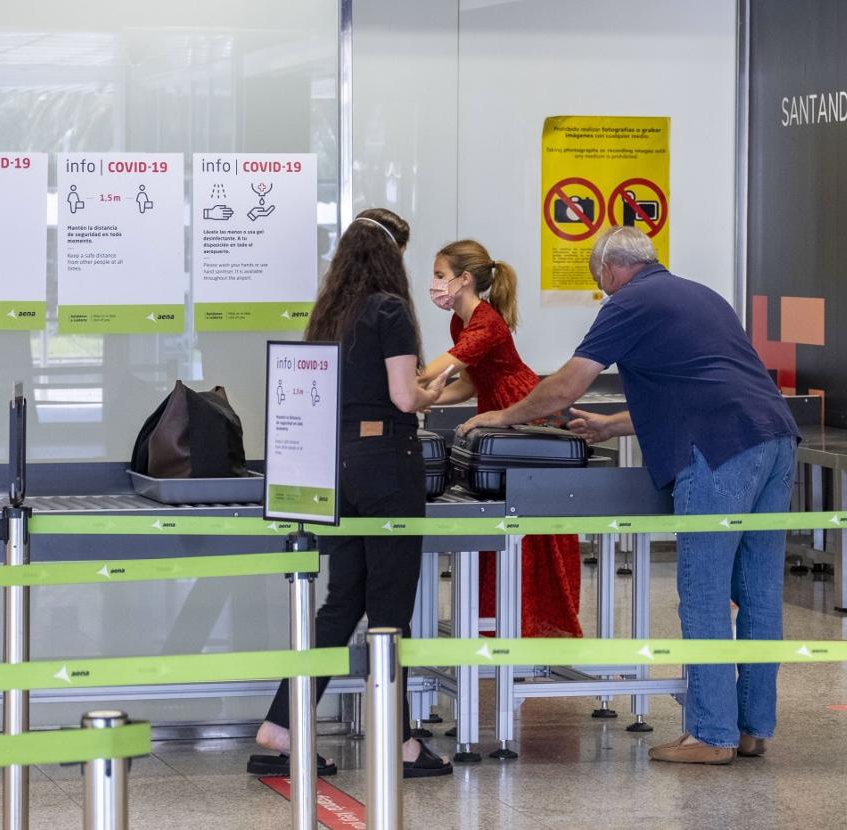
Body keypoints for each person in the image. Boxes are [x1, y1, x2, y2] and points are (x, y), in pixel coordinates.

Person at [459, 225, 799, 765]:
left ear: (611, 269)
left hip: (719, 450)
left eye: (600, 282)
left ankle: (712, 736)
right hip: (775, 438)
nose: (603, 291)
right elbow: (700, 385)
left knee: (705, 589)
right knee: (757, 590)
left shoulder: (630, 300)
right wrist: (613, 426)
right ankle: (753, 727)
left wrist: (502, 414)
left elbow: (567, 384)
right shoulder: (700, 295)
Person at [248, 209, 454, 779]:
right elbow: (402, 397)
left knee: (343, 602)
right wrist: (432, 389)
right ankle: (400, 743)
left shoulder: (329, 316)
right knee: (391, 606)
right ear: (394, 255)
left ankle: (280, 727)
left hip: (334, 467)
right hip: (386, 462)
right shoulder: (390, 310)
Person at [420, 239, 583, 638]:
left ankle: (529, 623)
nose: (435, 284)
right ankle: (495, 618)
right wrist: (425, 399)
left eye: (440, 276)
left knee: (527, 521)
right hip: (494, 410)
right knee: (497, 515)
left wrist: (408, 385)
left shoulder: (485, 321)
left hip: (520, 409)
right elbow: (469, 383)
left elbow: (440, 369)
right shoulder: (460, 320)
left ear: (464, 279)